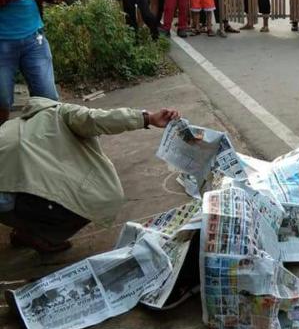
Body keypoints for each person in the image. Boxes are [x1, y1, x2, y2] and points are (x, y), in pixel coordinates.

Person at [0, 98, 180, 253]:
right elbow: (99, 118)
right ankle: (37, 235)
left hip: (8, 193)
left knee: (21, 193)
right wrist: (147, 117)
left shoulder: (12, 125)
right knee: (95, 199)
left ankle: (24, 229)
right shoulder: (60, 112)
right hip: (18, 196)